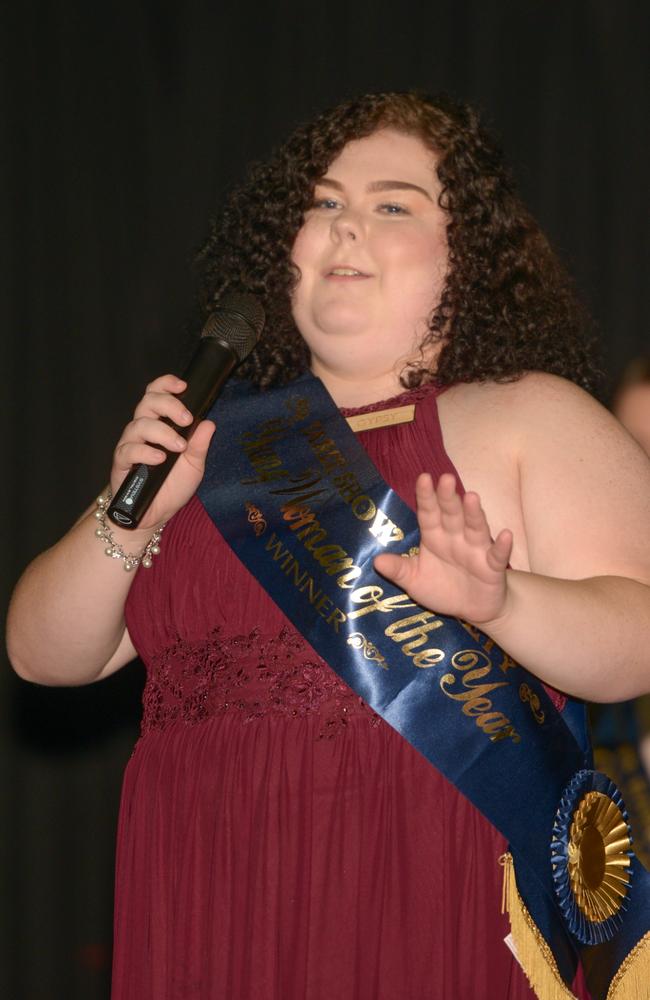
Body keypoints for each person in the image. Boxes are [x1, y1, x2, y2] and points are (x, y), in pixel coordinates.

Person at [7, 92, 650, 1000]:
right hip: (204, 885)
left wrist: (507, 605)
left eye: (393, 205)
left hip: (421, 876)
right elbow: (41, 656)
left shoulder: (527, 414)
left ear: (467, 255)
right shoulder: (211, 448)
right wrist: (128, 508)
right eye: (323, 203)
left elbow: (639, 635)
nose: (346, 226)